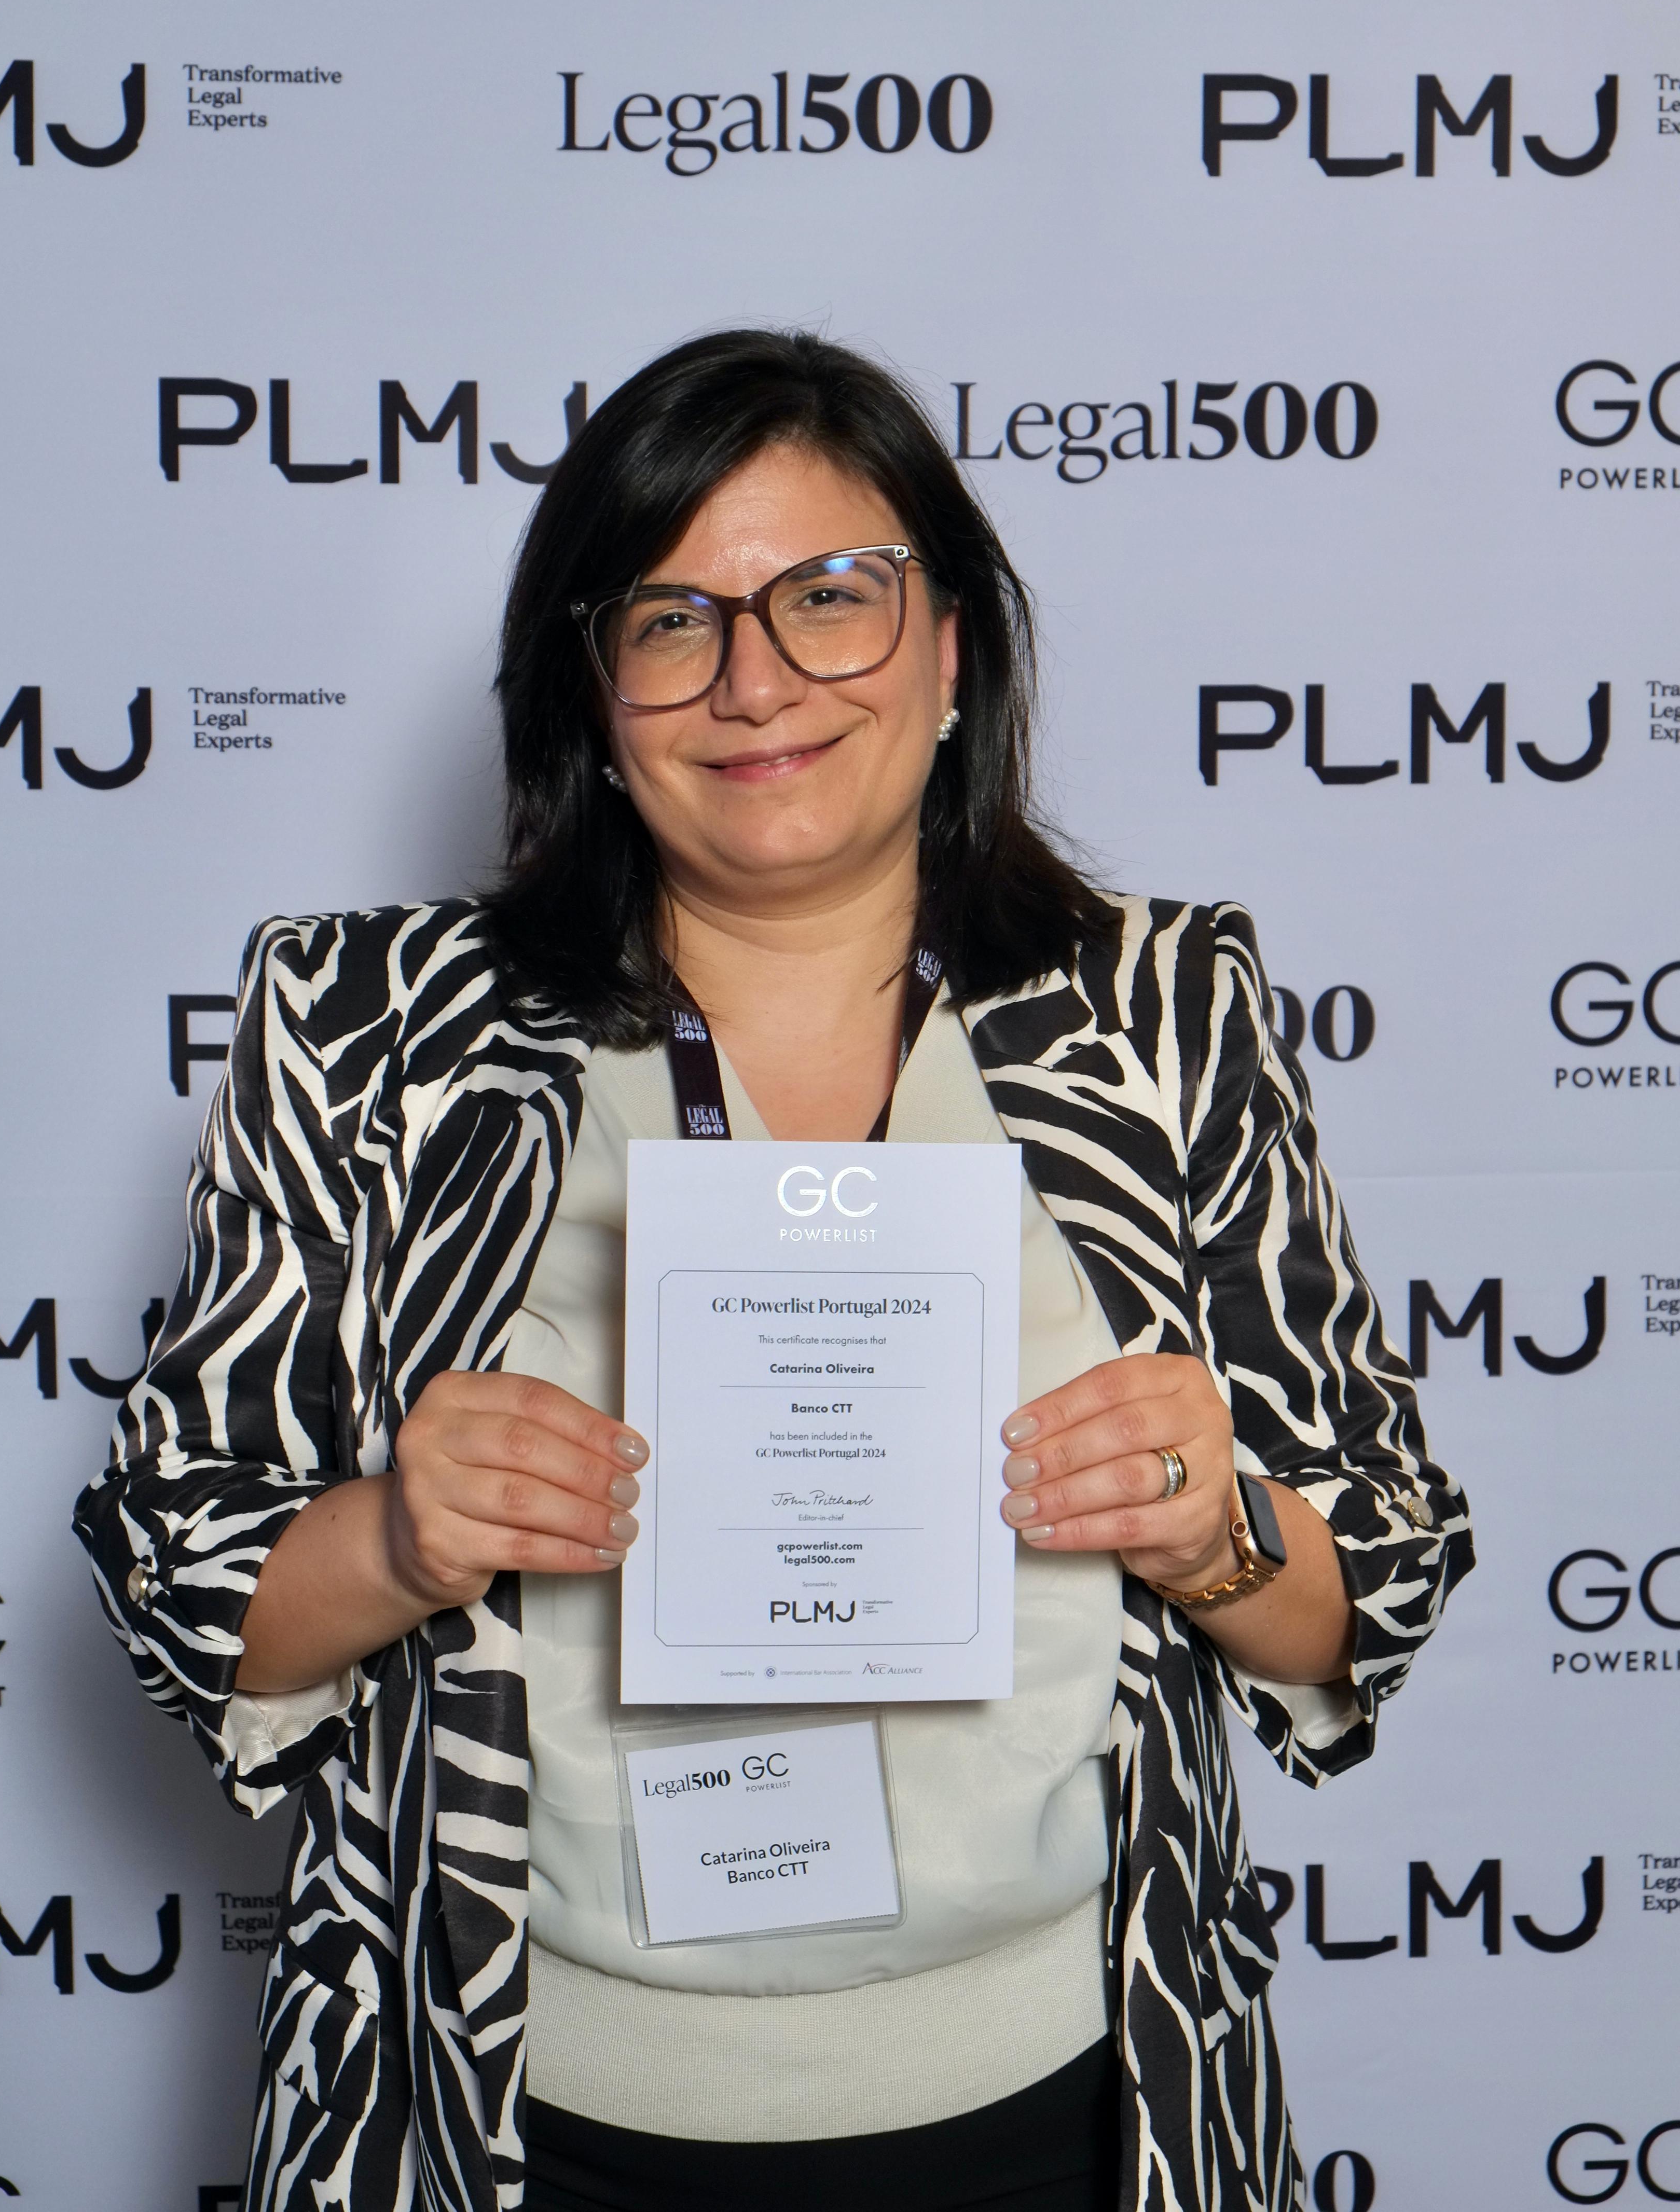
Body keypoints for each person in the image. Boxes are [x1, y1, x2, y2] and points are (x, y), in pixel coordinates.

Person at [76, 329, 1471, 2212]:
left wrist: (1210, 1528)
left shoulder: (1161, 1009)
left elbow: (1375, 1579)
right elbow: (174, 1577)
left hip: (1064, 2103)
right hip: (517, 2114)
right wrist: (397, 1535)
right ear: (594, 693)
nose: (755, 682)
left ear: (952, 648)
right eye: (672, 621)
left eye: (829, 597)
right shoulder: (366, 1025)